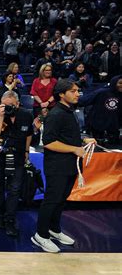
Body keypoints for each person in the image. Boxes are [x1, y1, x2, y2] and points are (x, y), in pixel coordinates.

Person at [32, 79, 97, 253]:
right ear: (61, 94)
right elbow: (49, 142)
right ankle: (41, 235)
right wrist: (75, 149)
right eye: (74, 91)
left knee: (61, 200)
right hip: (57, 166)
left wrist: (83, 139)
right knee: (52, 200)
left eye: (78, 91)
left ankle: (54, 229)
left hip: (69, 166)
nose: (78, 94)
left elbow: (67, 135)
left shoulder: (69, 111)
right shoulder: (56, 114)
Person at [0, 91, 33, 236]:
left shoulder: (26, 114)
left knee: (14, 190)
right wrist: (1, 116)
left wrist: (26, 152)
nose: (7, 108)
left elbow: (29, 134)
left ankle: (10, 220)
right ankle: (0, 217)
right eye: (4, 105)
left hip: (18, 156)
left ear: (18, 104)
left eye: (10, 105)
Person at [78, 75, 122, 145]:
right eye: (120, 83)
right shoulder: (102, 92)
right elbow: (83, 101)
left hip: (113, 129)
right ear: (114, 83)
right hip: (98, 127)